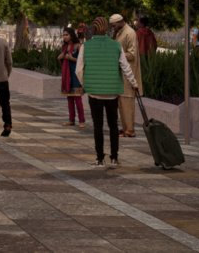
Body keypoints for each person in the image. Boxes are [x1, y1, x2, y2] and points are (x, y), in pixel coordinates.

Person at [76, 16, 138, 168]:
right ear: (107, 29)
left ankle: (100, 158)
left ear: (94, 29)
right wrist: (134, 84)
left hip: (94, 92)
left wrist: (86, 84)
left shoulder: (86, 46)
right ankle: (114, 157)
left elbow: (78, 70)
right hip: (112, 92)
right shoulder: (116, 45)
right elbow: (125, 67)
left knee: (97, 125)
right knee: (113, 125)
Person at [111, 14, 141, 138]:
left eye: (114, 25)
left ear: (120, 22)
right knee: (122, 103)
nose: (113, 28)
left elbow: (132, 54)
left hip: (129, 74)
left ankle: (130, 130)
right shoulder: (120, 32)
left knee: (127, 102)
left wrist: (118, 53)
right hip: (121, 74)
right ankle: (125, 128)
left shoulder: (130, 33)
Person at [58, 28, 85, 127]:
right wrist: (60, 58)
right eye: (64, 35)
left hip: (75, 74)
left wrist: (72, 58)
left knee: (77, 98)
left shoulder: (78, 46)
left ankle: (82, 121)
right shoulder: (64, 47)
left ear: (71, 35)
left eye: (67, 35)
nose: (65, 37)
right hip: (67, 74)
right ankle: (71, 119)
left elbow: (83, 61)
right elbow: (62, 59)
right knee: (69, 97)